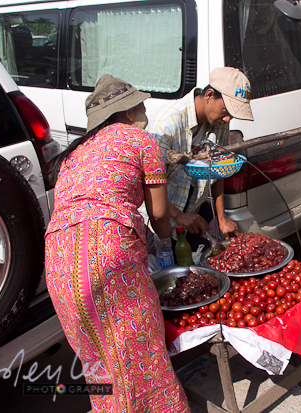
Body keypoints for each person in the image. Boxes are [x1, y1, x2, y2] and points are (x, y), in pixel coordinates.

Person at [45, 75, 190, 412]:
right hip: (108, 251)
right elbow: (158, 214)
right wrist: (166, 239)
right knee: (142, 356)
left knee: (101, 362)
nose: (145, 112)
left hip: (59, 263)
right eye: (141, 106)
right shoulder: (141, 140)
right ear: (127, 112)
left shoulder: (74, 153)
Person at [147, 67, 254, 247]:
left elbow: (219, 168)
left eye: (232, 114)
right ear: (210, 95)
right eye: (226, 110)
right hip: (160, 219)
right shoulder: (166, 125)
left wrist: (222, 217)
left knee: (221, 247)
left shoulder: (219, 123)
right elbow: (148, 186)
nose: (227, 119)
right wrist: (179, 216)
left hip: (193, 209)